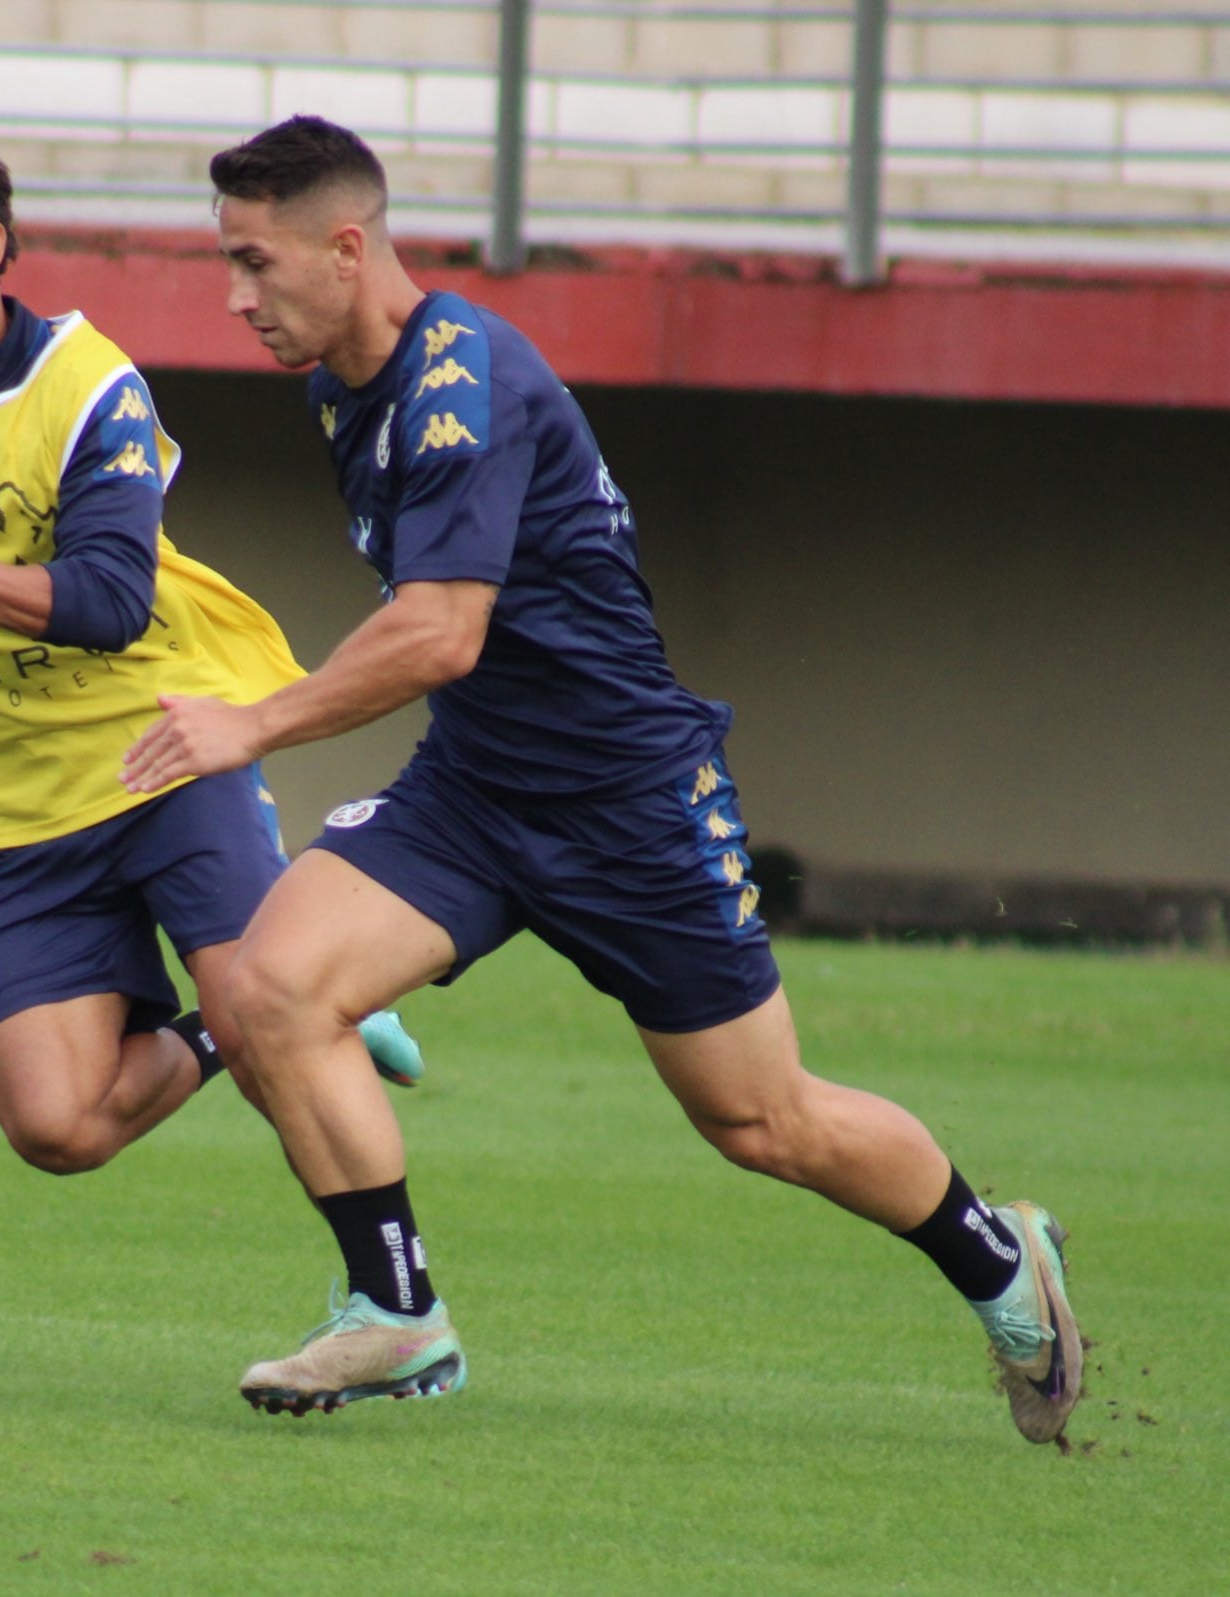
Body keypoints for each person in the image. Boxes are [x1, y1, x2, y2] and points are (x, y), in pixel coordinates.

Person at [119, 115, 1082, 1444]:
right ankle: (393, 1310)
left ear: (347, 248)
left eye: (254, 264)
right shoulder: (344, 383)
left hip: (630, 801)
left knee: (764, 1121)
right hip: (475, 789)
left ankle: (1000, 1258)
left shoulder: (462, 385)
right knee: (274, 988)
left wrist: (252, 722)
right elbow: (455, 647)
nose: (234, 297)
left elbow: (438, 630)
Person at [0, 105, 425, 1183]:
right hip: (29, 812)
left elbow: (108, 600)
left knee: (281, 1052)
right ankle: (260, 1013)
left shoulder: (89, 385)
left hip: (168, 755)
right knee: (56, 1125)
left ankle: (393, 1305)